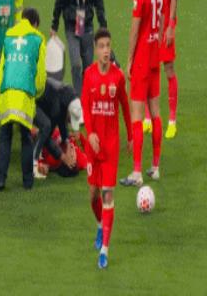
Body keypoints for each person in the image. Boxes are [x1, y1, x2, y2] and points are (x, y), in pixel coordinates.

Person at [81, 28, 132, 270]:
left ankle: (105, 250)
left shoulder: (118, 77)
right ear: (95, 49)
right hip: (93, 147)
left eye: (108, 46)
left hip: (110, 146)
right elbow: (85, 105)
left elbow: (125, 106)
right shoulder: (89, 75)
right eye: (101, 46)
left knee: (107, 195)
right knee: (93, 194)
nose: (105, 50)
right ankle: (100, 225)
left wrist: (130, 135)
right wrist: (90, 132)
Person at [120, 0, 164, 187]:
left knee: (137, 117)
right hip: (156, 57)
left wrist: (129, 60)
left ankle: (136, 172)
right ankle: (155, 167)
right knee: (155, 113)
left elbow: (135, 30)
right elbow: (161, 20)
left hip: (142, 60)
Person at [0, 8, 46, 191]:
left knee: (5, 135)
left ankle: (1, 179)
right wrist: (36, 93)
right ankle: (27, 181)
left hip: (7, 92)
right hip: (25, 93)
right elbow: (40, 75)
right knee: (26, 137)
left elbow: (2, 69)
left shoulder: (9, 35)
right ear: (35, 24)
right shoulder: (38, 38)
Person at [50, 0, 108, 96]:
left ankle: (86, 98)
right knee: (76, 64)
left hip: (87, 25)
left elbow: (98, 0)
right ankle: (78, 98)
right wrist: (54, 24)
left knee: (88, 67)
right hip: (71, 25)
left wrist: (103, 26)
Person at [142, 0, 180, 138]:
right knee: (148, 67)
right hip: (150, 20)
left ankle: (172, 120)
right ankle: (148, 117)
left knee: (168, 68)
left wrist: (171, 25)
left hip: (164, 22)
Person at [32, 78, 82, 178]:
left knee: (45, 127)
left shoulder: (70, 97)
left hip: (36, 93)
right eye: (70, 119)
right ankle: (33, 165)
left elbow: (62, 120)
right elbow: (46, 134)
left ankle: (34, 162)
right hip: (28, 98)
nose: (70, 122)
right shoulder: (58, 106)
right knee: (46, 126)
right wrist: (63, 156)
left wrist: (67, 143)